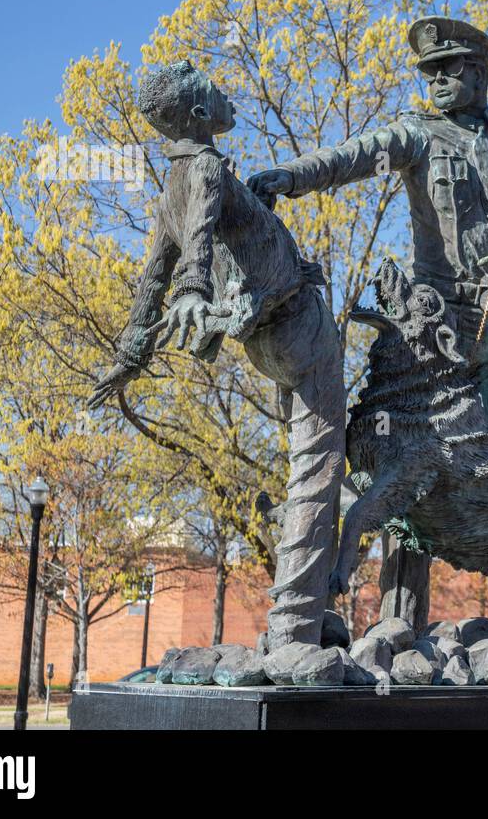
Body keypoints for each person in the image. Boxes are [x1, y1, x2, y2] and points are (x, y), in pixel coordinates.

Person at [247, 17, 488, 644]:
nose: (434, 81)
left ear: (480, 74)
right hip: (431, 325)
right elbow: (351, 157)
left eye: (448, 70)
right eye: (427, 72)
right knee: (410, 466)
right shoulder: (418, 138)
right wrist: (289, 177)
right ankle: (397, 632)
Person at [89, 60, 344, 653]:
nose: (229, 96)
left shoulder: (173, 186)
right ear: (202, 117)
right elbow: (195, 250)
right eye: (215, 92)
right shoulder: (203, 171)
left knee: (320, 464)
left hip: (272, 331)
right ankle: (296, 631)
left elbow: (154, 274)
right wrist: (194, 291)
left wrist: (132, 350)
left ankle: (307, 611)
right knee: (320, 468)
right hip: (300, 330)